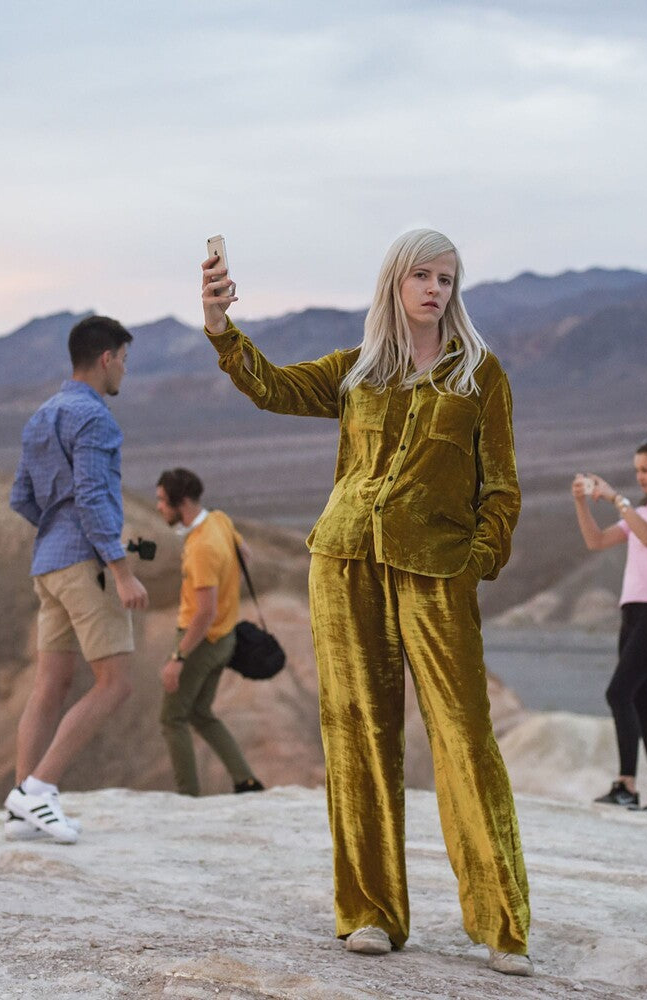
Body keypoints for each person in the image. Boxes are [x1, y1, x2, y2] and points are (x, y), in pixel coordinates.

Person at [200, 229, 532, 976]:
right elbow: (273, 387)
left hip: (436, 572)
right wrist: (223, 329)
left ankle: (500, 925)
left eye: (447, 278)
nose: (435, 290)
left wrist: (477, 559)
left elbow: (502, 486)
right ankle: (371, 913)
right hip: (345, 561)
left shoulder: (481, 376)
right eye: (422, 275)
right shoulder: (358, 371)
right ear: (394, 282)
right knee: (357, 734)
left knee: (463, 736)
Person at [5, 315, 149, 844]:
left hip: (48, 563)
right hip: (85, 565)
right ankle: (38, 790)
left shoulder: (42, 416)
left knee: (51, 685)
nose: (124, 374)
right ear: (107, 357)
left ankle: (22, 801)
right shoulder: (95, 418)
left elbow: (21, 497)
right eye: (125, 362)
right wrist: (122, 572)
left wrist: (56, 529)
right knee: (115, 684)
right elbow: (92, 498)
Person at [571, 439, 647, 813]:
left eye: (645, 470)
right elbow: (597, 540)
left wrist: (616, 498)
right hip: (633, 613)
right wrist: (582, 503)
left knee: (618, 693)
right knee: (641, 703)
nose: (640, 477)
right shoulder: (640, 511)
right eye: (636, 470)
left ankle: (626, 784)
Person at [154, 467, 264, 796]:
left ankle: (187, 797)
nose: (158, 507)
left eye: (162, 500)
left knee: (172, 718)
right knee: (200, 713)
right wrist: (230, 593)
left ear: (181, 502)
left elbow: (204, 612)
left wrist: (178, 657)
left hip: (200, 641)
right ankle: (246, 781)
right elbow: (246, 555)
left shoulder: (202, 548)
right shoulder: (219, 519)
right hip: (225, 637)